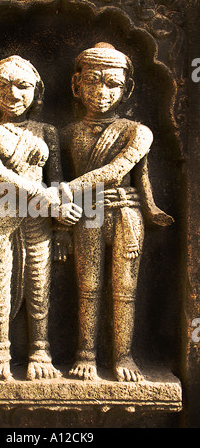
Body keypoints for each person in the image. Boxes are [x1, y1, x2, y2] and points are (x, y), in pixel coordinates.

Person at [0, 55, 82, 380]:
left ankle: (40, 350)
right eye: (2, 85)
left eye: (23, 86)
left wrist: (62, 227)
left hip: (38, 216)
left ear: (37, 91)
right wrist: (49, 201)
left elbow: (58, 182)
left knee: (40, 284)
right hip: (0, 212)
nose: (13, 94)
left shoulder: (47, 131)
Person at [61, 43, 174, 382]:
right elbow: (52, 176)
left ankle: (124, 355)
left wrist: (63, 192)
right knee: (88, 286)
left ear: (128, 89)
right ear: (76, 84)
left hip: (126, 211)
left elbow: (118, 168)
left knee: (125, 288)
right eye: (93, 81)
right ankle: (86, 354)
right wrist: (58, 212)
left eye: (112, 84)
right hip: (88, 212)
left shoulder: (138, 132)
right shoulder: (67, 134)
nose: (101, 91)